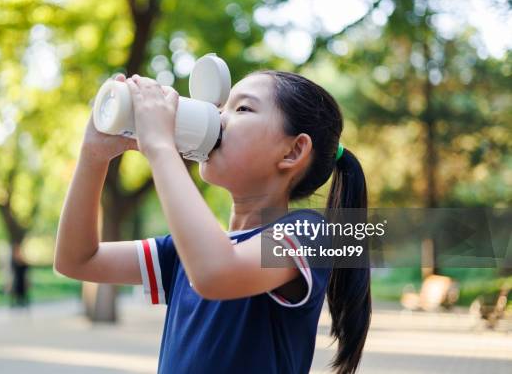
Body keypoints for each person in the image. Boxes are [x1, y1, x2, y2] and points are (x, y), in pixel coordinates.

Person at [54, 70, 371, 373]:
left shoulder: (308, 233)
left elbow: (216, 272)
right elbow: (77, 260)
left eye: (242, 108)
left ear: (293, 151)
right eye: (221, 106)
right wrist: (93, 155)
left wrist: (161, 147)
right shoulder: (185, 253)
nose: (218, 116)